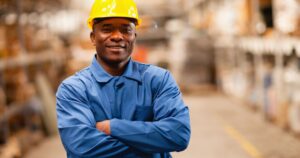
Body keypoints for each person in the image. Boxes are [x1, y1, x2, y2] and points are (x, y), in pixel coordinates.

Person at [56, 0, 191, 157]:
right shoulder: (73, 89)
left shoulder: (158, 80)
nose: (117, 36)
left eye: (125, 30)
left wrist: (113, 127)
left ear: (134, 36)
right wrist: (151, 144)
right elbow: (82, 147)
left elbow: (178, 135)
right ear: (93, 37)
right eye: (107, 30)